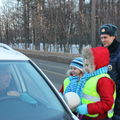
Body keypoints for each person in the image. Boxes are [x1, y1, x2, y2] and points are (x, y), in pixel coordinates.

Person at [76, 46, 116, 120]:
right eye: (85, 65)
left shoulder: (104, 80)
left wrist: (87, 109)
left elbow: (107, 103)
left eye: (88, 65)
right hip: (88, 116)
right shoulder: (89, 76)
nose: (86, 68)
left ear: (97, 64)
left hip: (100, 118)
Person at [98, 24, 120, 120]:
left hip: (117, 99)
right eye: (101, 38)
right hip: (103, 97)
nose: (103, 40)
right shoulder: (100, 51)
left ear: (113, 37)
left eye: (105, 37)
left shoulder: (118, 53)